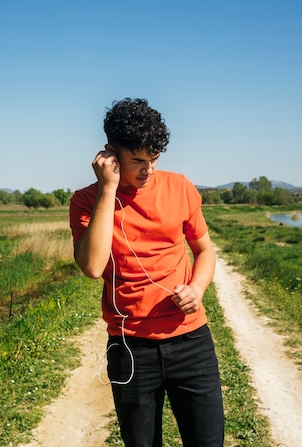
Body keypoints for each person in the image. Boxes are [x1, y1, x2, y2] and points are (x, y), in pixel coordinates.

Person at [69, 98, 224, 446]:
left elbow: (204, 251)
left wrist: (197, 289)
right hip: (130, 348)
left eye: (153, 159)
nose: (148, 170)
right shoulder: (86, 201)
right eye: (137, 160)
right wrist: (108, 189)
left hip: (191, 343)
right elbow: (93, 267)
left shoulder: (180, 187)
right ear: (110, 155)